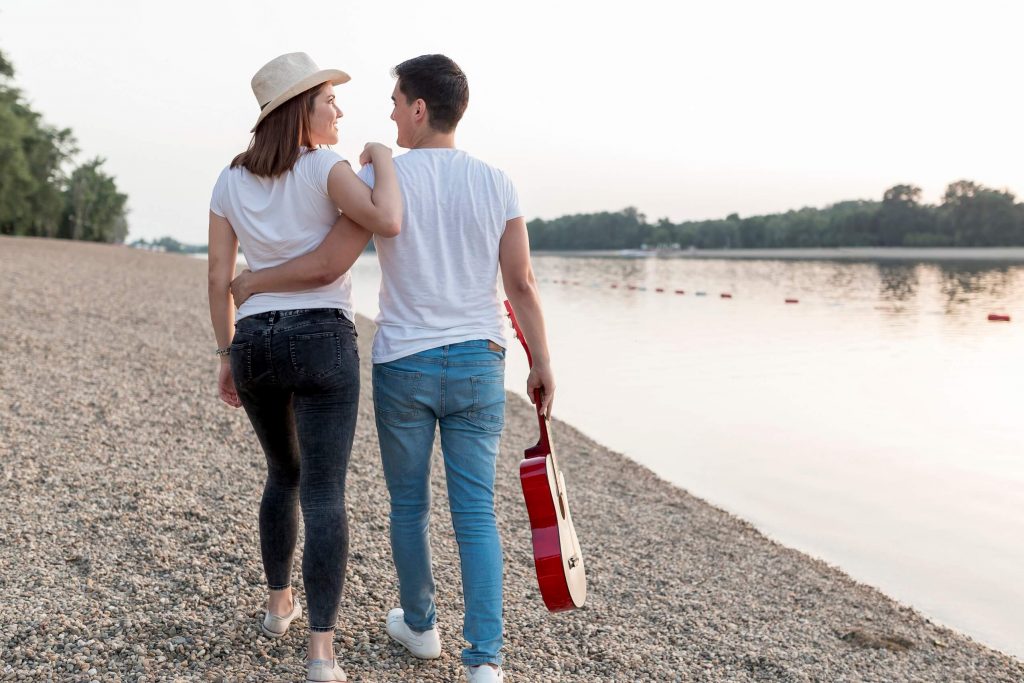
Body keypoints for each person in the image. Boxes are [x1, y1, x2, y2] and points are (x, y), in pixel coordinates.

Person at [230, 54, 554, 683]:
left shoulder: (383, 180)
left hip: (404, 358)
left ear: (419, 109)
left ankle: (422, 624)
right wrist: (541, 361)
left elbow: (331, 259)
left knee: (409, 505)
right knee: (477, 511)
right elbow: (521, 282)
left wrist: (257, 280)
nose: (387, 112)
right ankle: (485, 660)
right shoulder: (498, 182)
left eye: (394, 100)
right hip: (478, 361)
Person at [206, 51, 402, 683]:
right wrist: (384, 159)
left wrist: (225, 352)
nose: (339, 109)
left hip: (256, 340)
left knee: (281, 476)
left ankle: (276, 605)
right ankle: (321, 653)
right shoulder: (325, 166)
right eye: (328, 101)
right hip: (321, 337)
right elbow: (384, 220)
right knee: (324, 491)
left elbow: (218, 279)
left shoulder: (229, 180)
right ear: (300, 111)